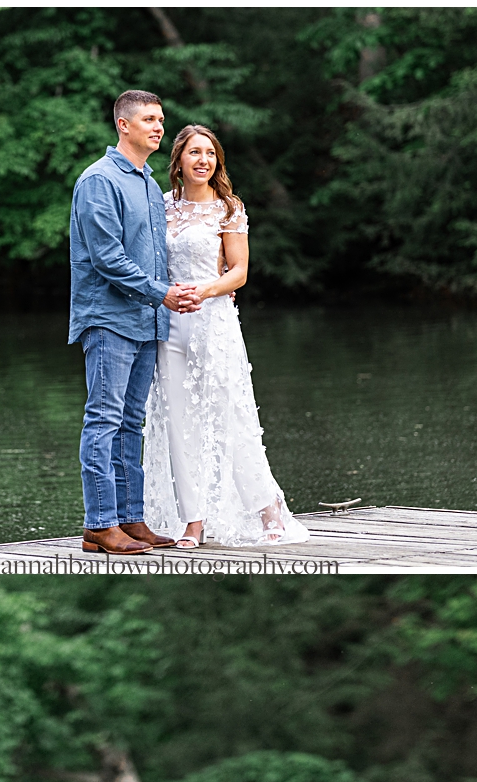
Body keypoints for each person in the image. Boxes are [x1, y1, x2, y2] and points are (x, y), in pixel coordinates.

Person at [143, 126, 309, 548]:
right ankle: (193, 521)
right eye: (194, 152)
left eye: (211, 154)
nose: (203, 160)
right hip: (168, 324)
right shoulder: (160, 207)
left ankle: (267, 507)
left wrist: (205, 289)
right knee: (177, 421)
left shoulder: (228, 208)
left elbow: (239, 271)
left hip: (213, 322)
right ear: (178, 159)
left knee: (228, 414)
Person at [68, 92, 200, 557]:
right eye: (148, 119)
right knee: (103, 420)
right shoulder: (98, 181)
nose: (159, 127)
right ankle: (98, 525)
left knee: (131, 423)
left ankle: (129, 519)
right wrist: (160, 292)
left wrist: (172, 295)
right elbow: (107, 258)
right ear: (123, 125)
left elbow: (154, 252)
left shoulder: (145, 181)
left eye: (161, 119)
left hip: (148, 320)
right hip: (108, 319)